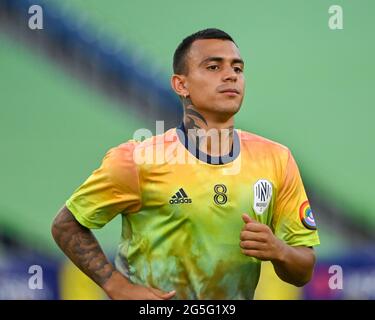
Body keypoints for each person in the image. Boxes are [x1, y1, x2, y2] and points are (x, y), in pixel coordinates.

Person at [51, 28, 320, 300]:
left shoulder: (276, 158)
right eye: (214, 66)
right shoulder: (138, 159)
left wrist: (279, 250)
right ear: (181, 85)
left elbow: (303, 270)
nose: (231, 75)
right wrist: (116, 285)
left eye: (237, 68)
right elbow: (66, 224)